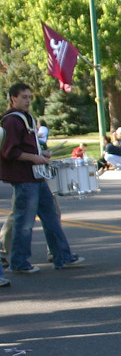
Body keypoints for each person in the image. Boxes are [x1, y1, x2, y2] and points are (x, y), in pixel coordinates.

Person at [1, 82, 85, 273]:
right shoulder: (11, 121)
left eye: (30, 97)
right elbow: (10, 152)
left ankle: (62, 257)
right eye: (24, 97)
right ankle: (19, 263)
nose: (28, 100)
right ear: (13, 98)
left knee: (51, 218)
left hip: (36, 177)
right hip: (23, 178)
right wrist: (35, 158)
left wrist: (42, 154)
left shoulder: (26, 117)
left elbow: (29, 146)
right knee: (24, 223)